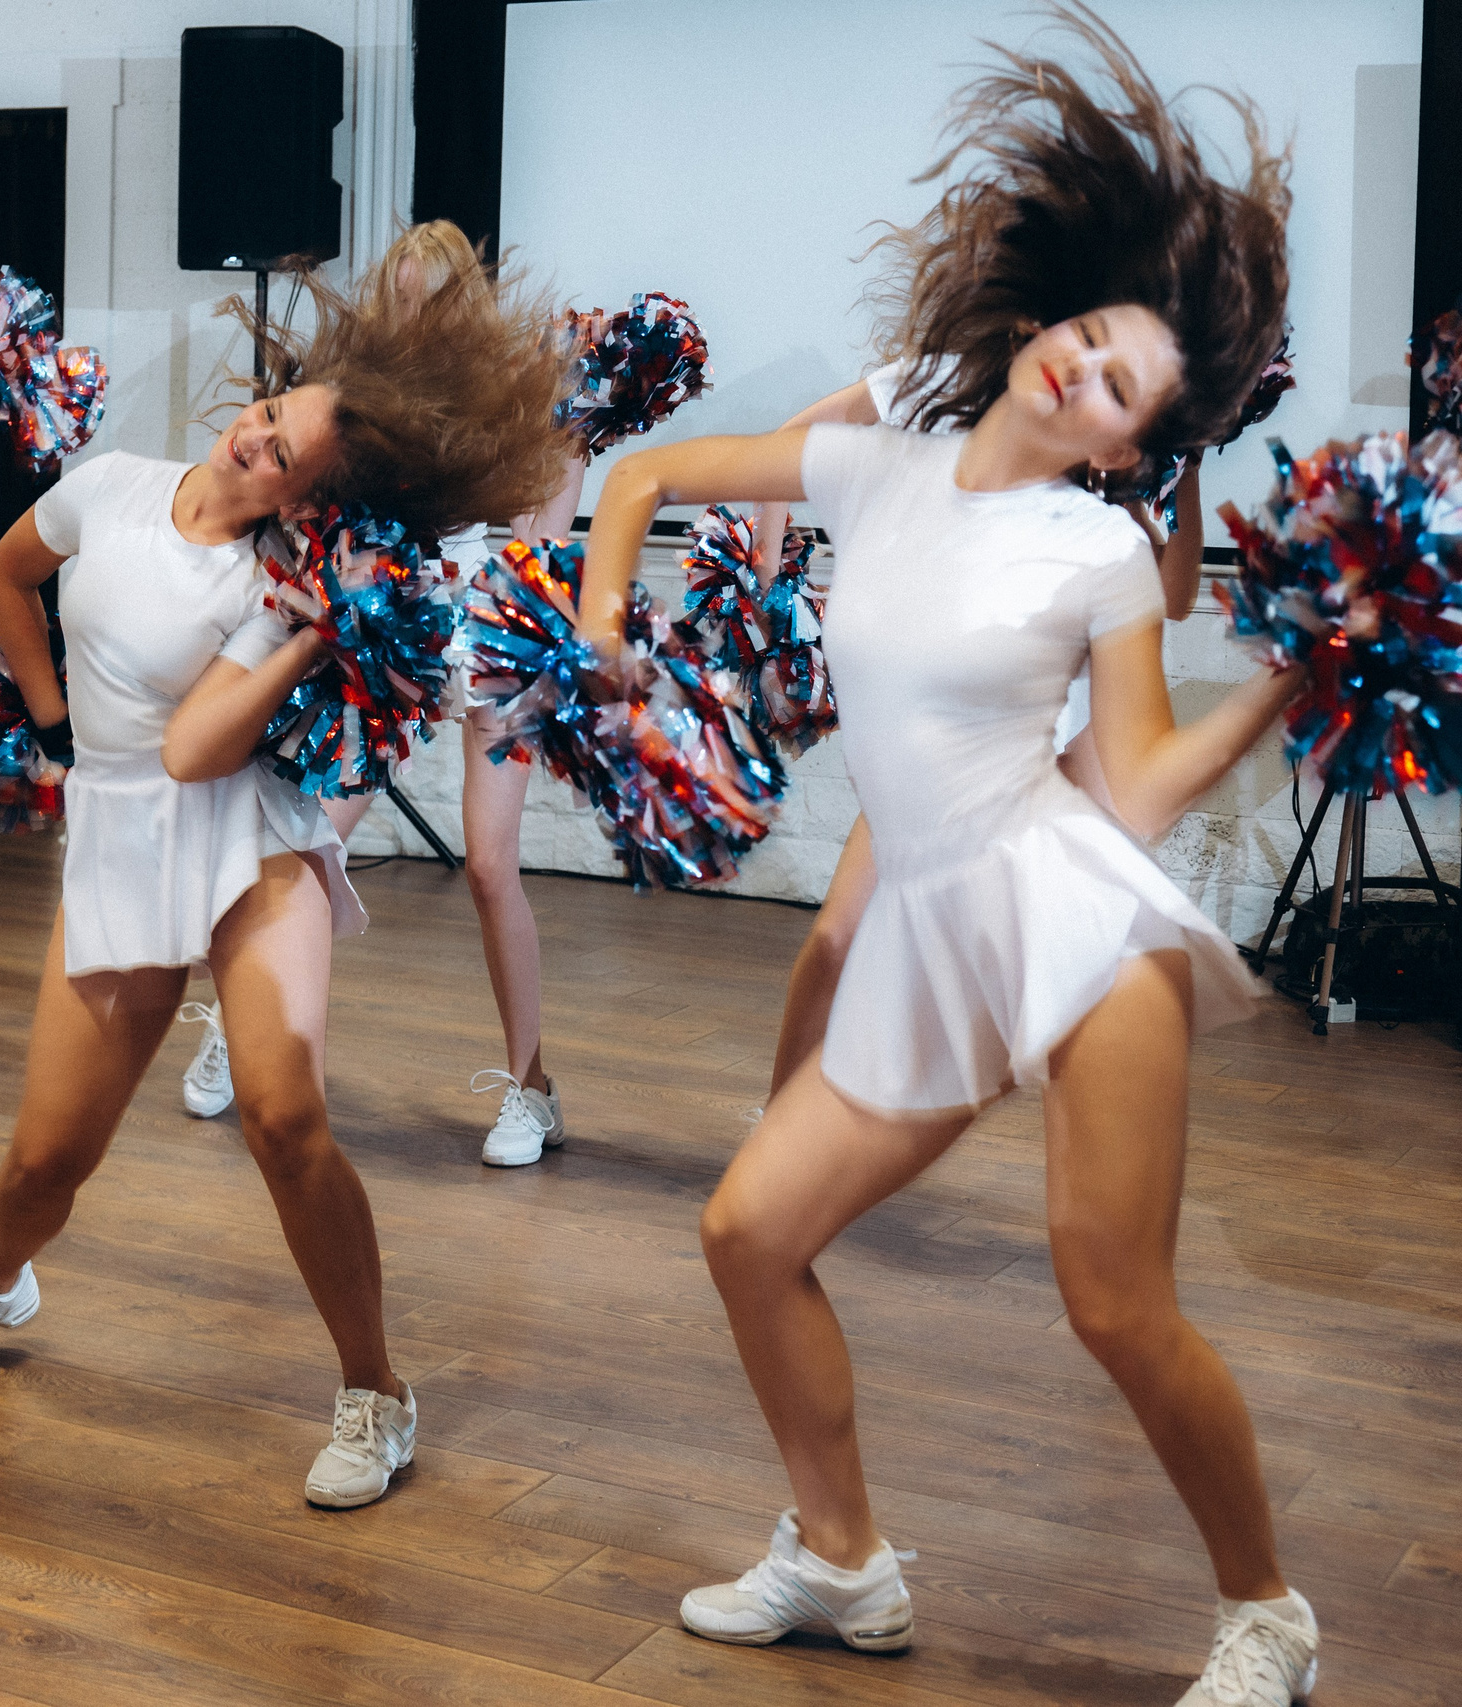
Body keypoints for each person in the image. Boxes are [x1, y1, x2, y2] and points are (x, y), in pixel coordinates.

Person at [577, 15, 1319, 1703]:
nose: (1082, 369)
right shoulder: (871, 463)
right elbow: (643, 473)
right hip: (925, 922)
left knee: (1114, 1302)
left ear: (1134, 444)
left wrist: (1289, 679)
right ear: (1046, 322)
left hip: (1074, 924)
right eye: (1088, 337)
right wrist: (608, 617)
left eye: (1124, 385)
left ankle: (1266, 1608)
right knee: (750, 1232)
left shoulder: (1104, 551)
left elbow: (1131, 789)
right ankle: (843, 1558)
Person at [0, 258, 568, 1507]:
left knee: (281, 1112)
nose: (258, 444)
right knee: (43, 1164)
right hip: (120, 835)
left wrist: (316, 619)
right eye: (269, 418)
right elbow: (5, 574)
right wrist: (43, 712)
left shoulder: (276, 581)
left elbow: (203, 748)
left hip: (248, 836)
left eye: (286, 462)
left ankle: (376, 1393)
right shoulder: (106, 489)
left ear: (313, 500)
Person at [175, 219, 591, 1169]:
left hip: (485, 636)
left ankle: (532, 1088)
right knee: (311, 838)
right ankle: (245, 1030)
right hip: (385, 636)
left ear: (460, 303)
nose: (408, 315)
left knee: (490, 865)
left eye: (427, 298)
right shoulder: (360, 402)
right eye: (396, 295)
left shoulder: (513, 397)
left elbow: (543, 539)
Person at [755, 372, 1207, 1100]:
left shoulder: (1101, 473)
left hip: (1035, 758)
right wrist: (767, 565)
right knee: (839, 937)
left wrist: (1187, 466)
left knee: (1056, 984)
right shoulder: (943, 374)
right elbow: (791, 439)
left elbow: (1178, 596)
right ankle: (782, 1120)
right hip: (938, 743)